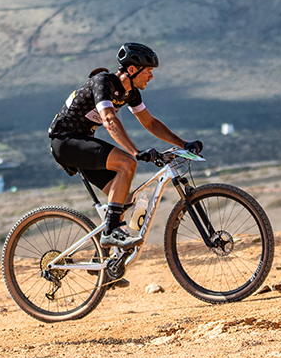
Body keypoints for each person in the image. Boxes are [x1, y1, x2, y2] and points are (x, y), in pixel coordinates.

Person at [48, 42, 203, 250]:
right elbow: (109, 119)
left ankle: (103, 263)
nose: (151, 76)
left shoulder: (130, 93)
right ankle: (111, 232)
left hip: (83, 142)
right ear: (132, 70)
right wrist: (135, 152)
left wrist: (183, 143)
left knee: (122, 199)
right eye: (148, 71)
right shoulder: (103, 82)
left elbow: (151, 123)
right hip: (65, 141)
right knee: (127, 163)